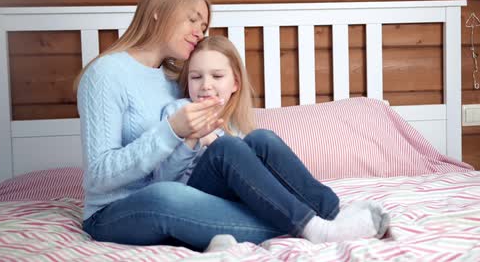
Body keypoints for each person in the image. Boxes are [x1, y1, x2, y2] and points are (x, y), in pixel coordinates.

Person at [154, 35, 390, 244]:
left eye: (217, 76)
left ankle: (332, 212)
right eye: (196, 77)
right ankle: (315, 229)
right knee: (226, 147)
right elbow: (161, 182)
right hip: (189, 201)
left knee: (261, 138)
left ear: (235, 83)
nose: (206, 85)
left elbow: (255, 182)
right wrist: (192, 140)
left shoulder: (234, 126)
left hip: (231, 204)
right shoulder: (178, 112)